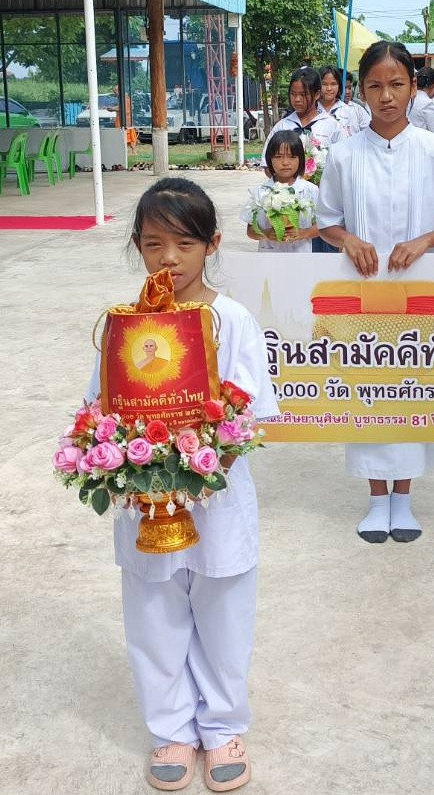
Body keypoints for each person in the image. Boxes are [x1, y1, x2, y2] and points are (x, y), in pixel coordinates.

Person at [84, 177, 279, 792]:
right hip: (146, 496)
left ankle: (221, 729)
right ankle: (171, 729)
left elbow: (253, 408)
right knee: (153, 611)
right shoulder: (124, 325)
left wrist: (202, 443)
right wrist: (122, 456)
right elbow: (98, 405)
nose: (169, 259)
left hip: (215, 493)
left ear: (212, 245)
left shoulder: (233, 318)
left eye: (185, 244)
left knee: (223, 613)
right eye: (153, 243)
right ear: (137, 247)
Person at [316, 41, 434, 543]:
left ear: (412, 86)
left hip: (419, 292)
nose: (387, 96)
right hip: (362, 294)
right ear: (361, 90)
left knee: (411, 389)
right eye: (376, 86)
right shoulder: (342, 154)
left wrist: (423, 241)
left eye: (397, 84)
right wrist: (350, 240)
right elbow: (327, 223)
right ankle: (375, 499)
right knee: (368, 391)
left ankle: (403, 500)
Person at [242, 130, 319, 253]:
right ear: (269, 159)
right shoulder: (260, 192)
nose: (285, 162)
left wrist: (304, 233)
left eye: (292, 157)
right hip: (269, 260)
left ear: (301, 159)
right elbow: (250, 231)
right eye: (278, 156)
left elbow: (322, 227)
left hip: (301, 258)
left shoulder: (311, 191)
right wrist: (266, 234)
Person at [265, 68, 346, 153]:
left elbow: (343, 160)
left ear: (317, 94)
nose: (297, 99)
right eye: (293, 94)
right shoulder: (282, 126)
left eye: (303, 94)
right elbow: (267, 162)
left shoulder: (332, 126)